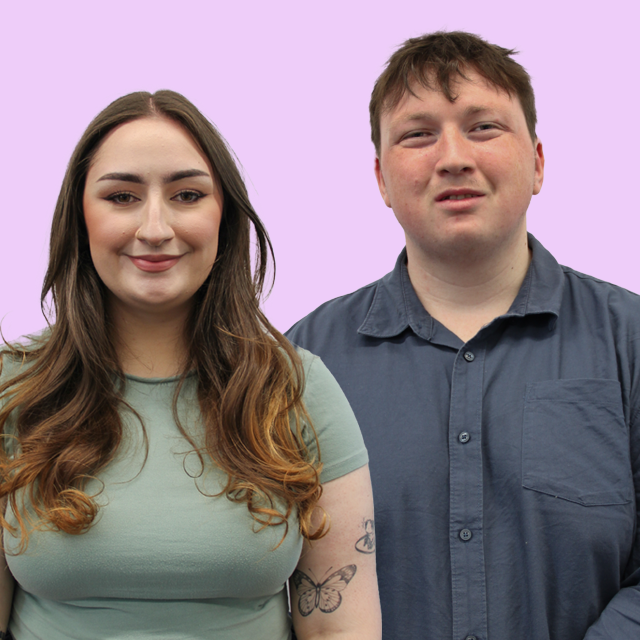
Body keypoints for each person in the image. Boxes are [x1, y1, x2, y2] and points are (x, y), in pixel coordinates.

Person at [286, 30, 640, 640]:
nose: (452, 156)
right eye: (418, 134)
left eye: (483, 127)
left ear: (537, 162)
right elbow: (266, 573)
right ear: (381, 179)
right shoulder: (301, 362)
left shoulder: (629, 342)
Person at [0, 90, 381, 640]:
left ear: (223, 216)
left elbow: (337, 628)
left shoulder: (296, 388)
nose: (155, 229)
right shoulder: (13, 388)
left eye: (187, 195)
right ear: (80, 218)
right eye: (122, 196)